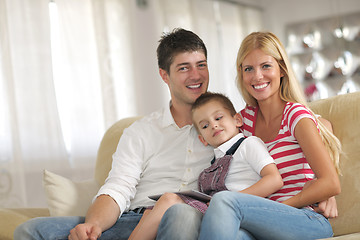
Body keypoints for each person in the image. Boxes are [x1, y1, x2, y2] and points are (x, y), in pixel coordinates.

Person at [14, 28, 213, 240]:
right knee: (30, 230)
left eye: (201, 65)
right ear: (165, 75)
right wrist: (92, 225)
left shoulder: (227, 128)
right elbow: (119, 187)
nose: (196, 75)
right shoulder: (141, 131)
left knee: (182, 215)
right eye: (184, 68)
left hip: (189, 222)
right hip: (133, 221)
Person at [198, 31, 342, 240]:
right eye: (249, 69)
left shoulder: (295, 116)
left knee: (225, 201)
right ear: (242, 74)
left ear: (281, 69)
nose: (257, 76)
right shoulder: (243, 121)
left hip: (303, 218)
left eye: (266, 66)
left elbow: (331, 183)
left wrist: (279, 207)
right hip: (262, 222)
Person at [128, 92, 283, 240]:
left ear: (237, 120)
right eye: (205, 126)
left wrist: (229, 200)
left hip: (238, 211)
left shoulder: (248, 144)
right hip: (215, 211)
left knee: (169, 199)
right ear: (203, 139)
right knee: (153, 210)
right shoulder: (214, 162)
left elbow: (274, 180)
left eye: (218, 118)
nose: (214, 126)